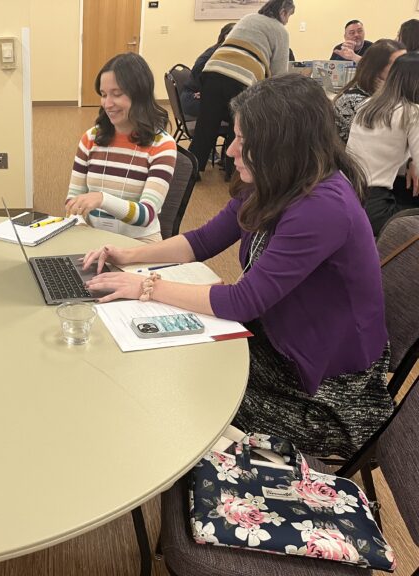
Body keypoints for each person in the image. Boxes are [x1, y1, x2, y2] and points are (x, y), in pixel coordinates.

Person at [82, 73, 392, 459]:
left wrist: (146, 287)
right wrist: (127, 255)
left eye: (243, 140)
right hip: (281, 338)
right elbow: (204, 240)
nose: (230, 151)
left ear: (280, 146)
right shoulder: (278, 179)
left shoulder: (323, 207)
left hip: (324, 386)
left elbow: (244, 301)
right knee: (168, 360)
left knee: (180, 392)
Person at [65, 52, 176, 242]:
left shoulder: (162, 145)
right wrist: (82, 231)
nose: (107, 104)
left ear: (140, 95)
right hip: (93, 237)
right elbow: (72, 200)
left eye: (117, 94)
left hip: (138, 242)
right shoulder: (90, 139)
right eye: (103, 94)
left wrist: (102, 199)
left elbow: (146, 214)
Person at [189, 0, 293, 176]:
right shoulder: (280, 30)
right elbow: (279, 73)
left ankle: (192, 169)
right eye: (289, 15)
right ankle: (232, 171)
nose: (288, 20)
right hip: (242, 78)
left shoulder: (248, 18)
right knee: (238, 126)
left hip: (213, 69)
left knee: (206, 124)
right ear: (283, 11)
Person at [347, 52, 419, 236]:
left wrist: (410, 161)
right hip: (377, 210)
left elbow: (381, 150)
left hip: (347, 196)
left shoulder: (368, 105)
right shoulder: (411, 111)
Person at [333, 39, 406, 142]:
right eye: (397, 64)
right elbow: (382, 137)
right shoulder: (350, 100)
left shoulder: (398, 89)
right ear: (377, 67)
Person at [181, 22, 235, 118]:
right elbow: (200, 74)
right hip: (193, 98)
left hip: (198, 96)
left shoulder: (221, 51)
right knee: (237, 113)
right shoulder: (217, 53)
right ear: (226, 36)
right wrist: (206, 92)